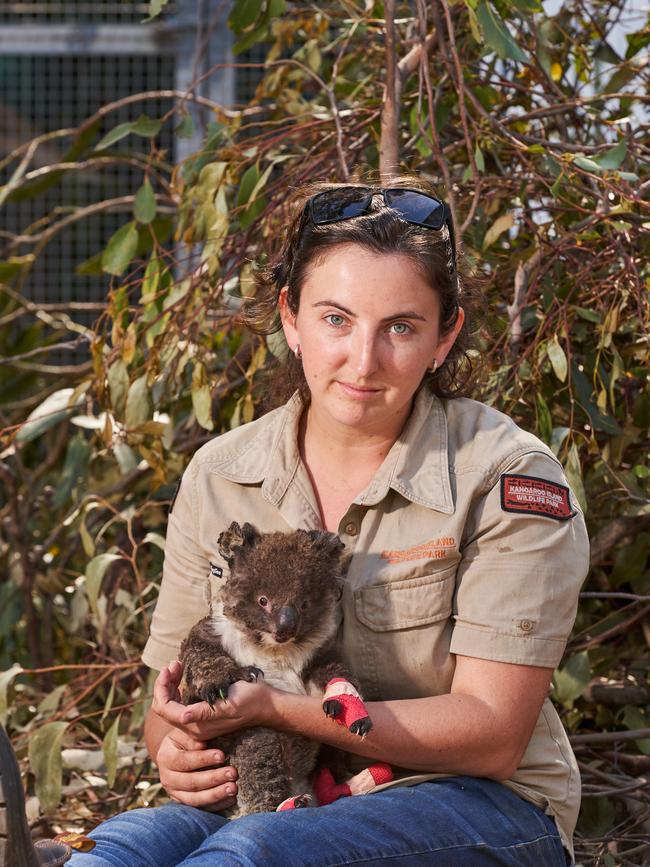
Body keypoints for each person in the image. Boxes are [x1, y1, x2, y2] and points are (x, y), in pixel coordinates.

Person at [71, 180, 589, 866]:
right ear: (290, 318)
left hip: (476, 803)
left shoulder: (504, 475)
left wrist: (274, 708)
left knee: (252, 853)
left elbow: (493, 733)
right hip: (271, 788)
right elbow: (162, 705)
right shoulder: (222, 472)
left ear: (445, 335)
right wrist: (179, 747)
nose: (363, 360)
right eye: (335, 319)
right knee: (116, 849)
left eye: (400, 327)